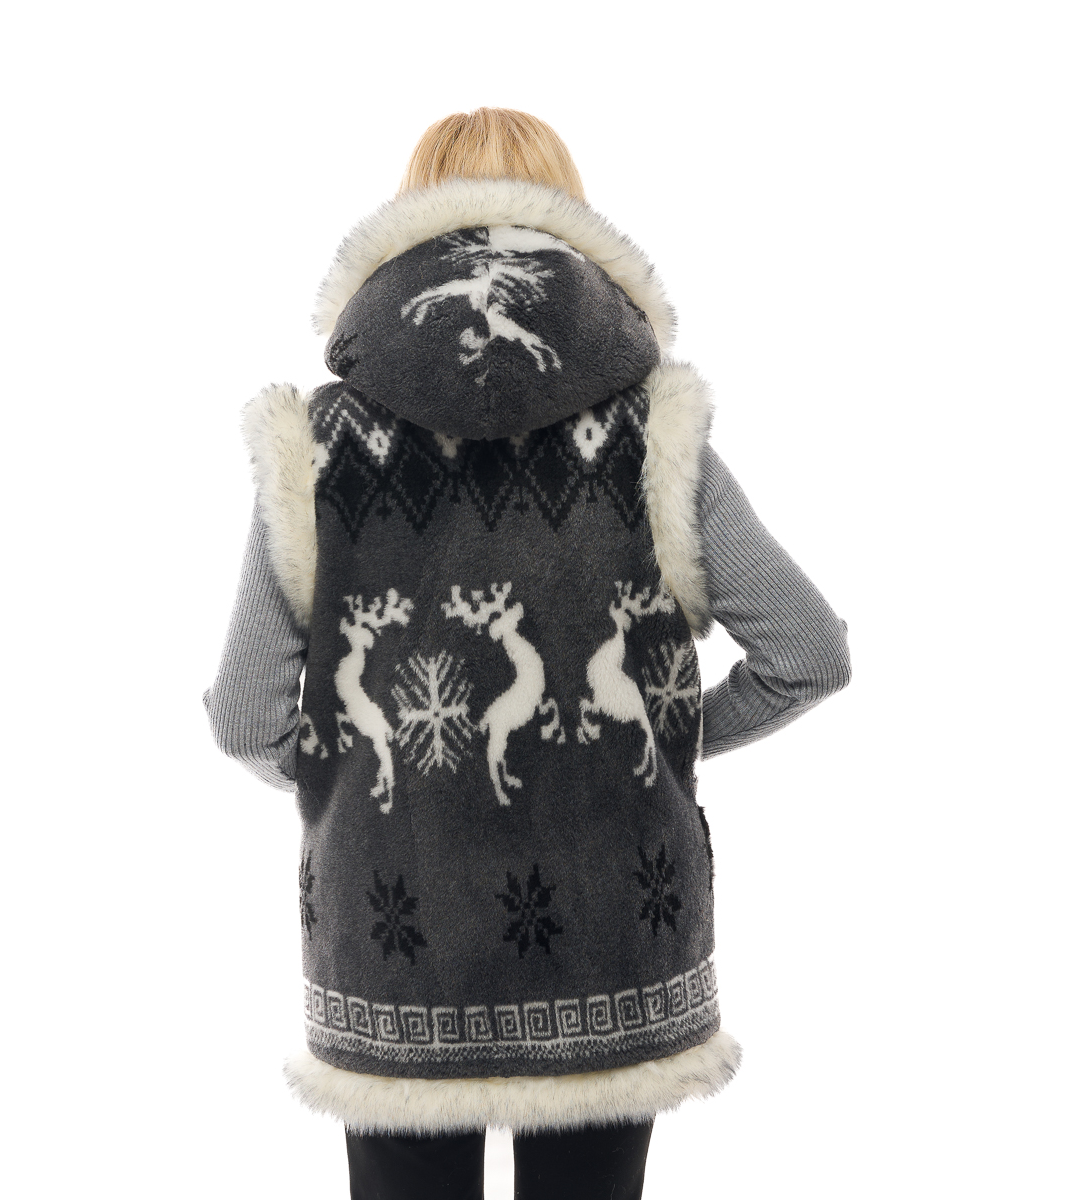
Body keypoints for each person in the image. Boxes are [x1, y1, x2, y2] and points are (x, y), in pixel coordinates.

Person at [204, 108, 851, 1200]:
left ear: (408, 219)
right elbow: (809, 652)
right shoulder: (656, 429)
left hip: (392, 949)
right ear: (571, 215)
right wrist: (656, 738)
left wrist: (361, 780)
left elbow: (244, 718)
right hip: (616, 943)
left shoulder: (318, 442)